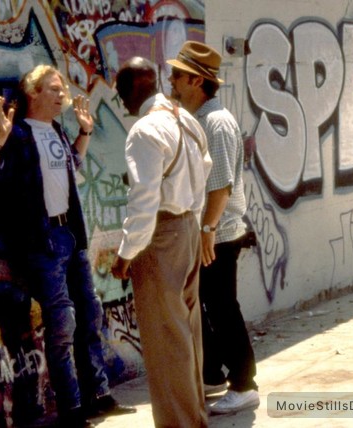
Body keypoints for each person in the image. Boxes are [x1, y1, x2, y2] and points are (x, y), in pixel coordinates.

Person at [0, 64, 135, 427]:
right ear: (33, 92)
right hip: (42, 240)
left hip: (71, 235)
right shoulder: (19, 134)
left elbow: (73, 165)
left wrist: (84, 132)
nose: (61, 93)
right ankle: (72, 407)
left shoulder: (56, 130)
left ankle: (99, 395)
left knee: (90, 312)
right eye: (53, 88)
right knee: (62, 321)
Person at [111, 56, 213, 427]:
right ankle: (195, 416)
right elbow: (203, 174)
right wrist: (197, 224)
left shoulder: (144, 131)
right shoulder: (184, 119)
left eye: (121, 92)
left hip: (161, 236)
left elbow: (144, 202)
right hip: (186, 226)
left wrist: (126, 253)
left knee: (165, 343)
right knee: (187, 337)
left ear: (131, 90)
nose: (120, 101)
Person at [167, 41, 260, 415]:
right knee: (207, 307)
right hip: (209, 232)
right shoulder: (201, 118)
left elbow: (219, 186)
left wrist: (207, 230)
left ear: (195, 80)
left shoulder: (215, 123)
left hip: (217, 235)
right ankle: (213, 375)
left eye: (176, 75)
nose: (171, 81)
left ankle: (244, 383)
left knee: (222, 308)